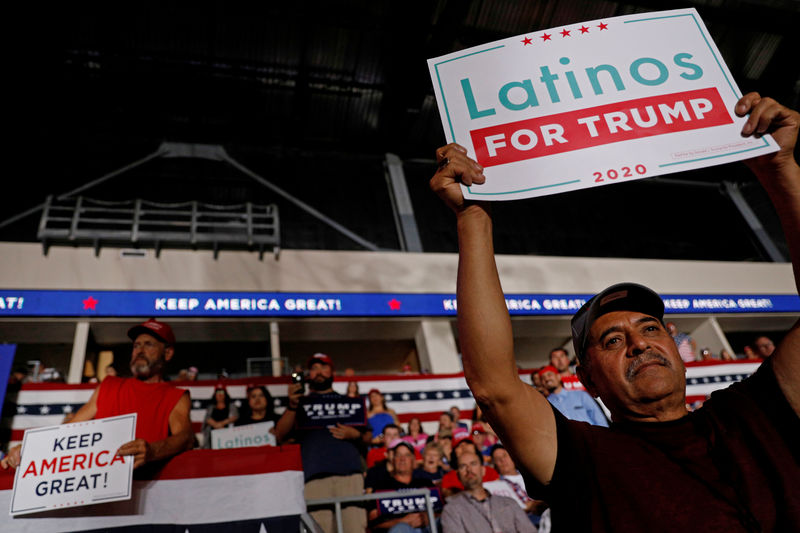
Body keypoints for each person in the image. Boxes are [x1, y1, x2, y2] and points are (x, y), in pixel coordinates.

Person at [429, 93, 800, 531]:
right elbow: (494, 386)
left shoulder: (754, 411)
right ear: (587, 380)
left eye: (648, 327)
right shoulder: (583, 456)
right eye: (613, 340)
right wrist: (474, 219)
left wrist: (782, 171)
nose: (639, 342)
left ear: (677, 345)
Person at [2, 318, 193, 471]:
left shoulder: (176, 396)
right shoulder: (109, 385)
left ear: (167, 353)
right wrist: (29, 448)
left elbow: (185, 438)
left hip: (146, 494)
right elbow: (70, 429)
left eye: (149, 344)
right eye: (136, 345)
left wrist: (152, 451)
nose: (139, 351)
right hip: (97, 496)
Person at [275, 352, 369, 533]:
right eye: (314, 368)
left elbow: (372, 437)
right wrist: (292, 405)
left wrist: (355, 434)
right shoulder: (299, 404)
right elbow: (280, 435)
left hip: (349, 476)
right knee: (319, 529)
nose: (319, 372)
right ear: (309, 375)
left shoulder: (350, 403)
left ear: (332, 372)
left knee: (354, 528)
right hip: (313, 479)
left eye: (323, 367)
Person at [441, 450, 537, 533]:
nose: (469, 470)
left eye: (473, 464)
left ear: (483, 470)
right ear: (458, 475)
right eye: (463, 466)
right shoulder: (452, 510)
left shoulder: (508, 503)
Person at [367, 441, 436, 532]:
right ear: (393, 460)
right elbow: (374, 523)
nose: (402, 459)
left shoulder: (426, 483)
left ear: (413, 460)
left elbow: (442, 512)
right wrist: (402, 522)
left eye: (407, 455)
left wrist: (427, 517)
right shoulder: (381, 487)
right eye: (398, 455)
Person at [538, 366, 608, 427]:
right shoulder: (546, 405)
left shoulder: (581, 395)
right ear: (541, 383)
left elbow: (599, 419)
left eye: (549, 375)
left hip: (593, 439)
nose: (547, 379)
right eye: (543, 378)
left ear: (558, 376)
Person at [202, 384, 238, 448]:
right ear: (215, 395)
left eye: (222, 392)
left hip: (228, 437)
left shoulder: (231, 406)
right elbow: (207, 419)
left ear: (225, 394)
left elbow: (235, 417)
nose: (220, 395)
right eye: (218, 393)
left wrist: (222, 424)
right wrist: (216, 425)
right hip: (212, 439)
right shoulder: (211, 407)